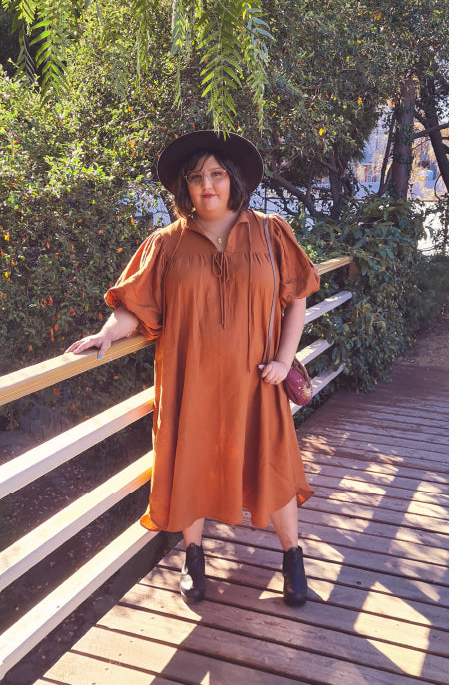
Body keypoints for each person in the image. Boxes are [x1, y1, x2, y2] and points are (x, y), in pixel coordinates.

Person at [66, 131, 319, 607]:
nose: (208, 185)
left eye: (217, 174)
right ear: (186, 187)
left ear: (232, 180)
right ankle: (194, 556)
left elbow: (298, 297)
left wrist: (285, 361)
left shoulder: (269, 230)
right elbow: (133, 306)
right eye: (197, 177)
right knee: (189, 463)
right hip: (190, 382)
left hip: (257, 379)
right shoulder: (165, 245)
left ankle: (293, 557)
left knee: (275, 465)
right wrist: (108, 333)